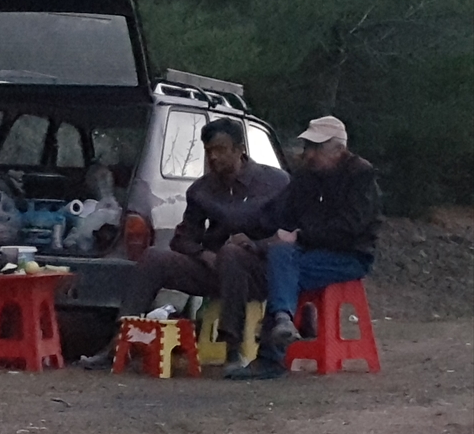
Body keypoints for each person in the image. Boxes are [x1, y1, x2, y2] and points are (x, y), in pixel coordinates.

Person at [80, 118, 289, 372]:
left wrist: (255, 245)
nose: (213, 157)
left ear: (239, 149)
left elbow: (289, 235)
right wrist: (202, 254)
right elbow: (183, 238)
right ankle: (119, 340)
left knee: (232, 253)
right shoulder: (202, 190)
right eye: (209, 150)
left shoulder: (275, 182)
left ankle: (232, 348)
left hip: (259, 270)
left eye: (221, 150)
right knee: (154, 258)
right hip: (214, 266)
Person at [224, 115, 381, 380]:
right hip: (307, 254)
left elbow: (349, 228)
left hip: (348, 257)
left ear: (339, 150)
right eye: (308, 146)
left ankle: (272, 354)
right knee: (281, 259)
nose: (309, 154)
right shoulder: (307, 177)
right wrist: (241, 230)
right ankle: (283, 322)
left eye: (316, 147)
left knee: (284, 265)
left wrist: (301, 237)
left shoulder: (361, 177)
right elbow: (274, 212)